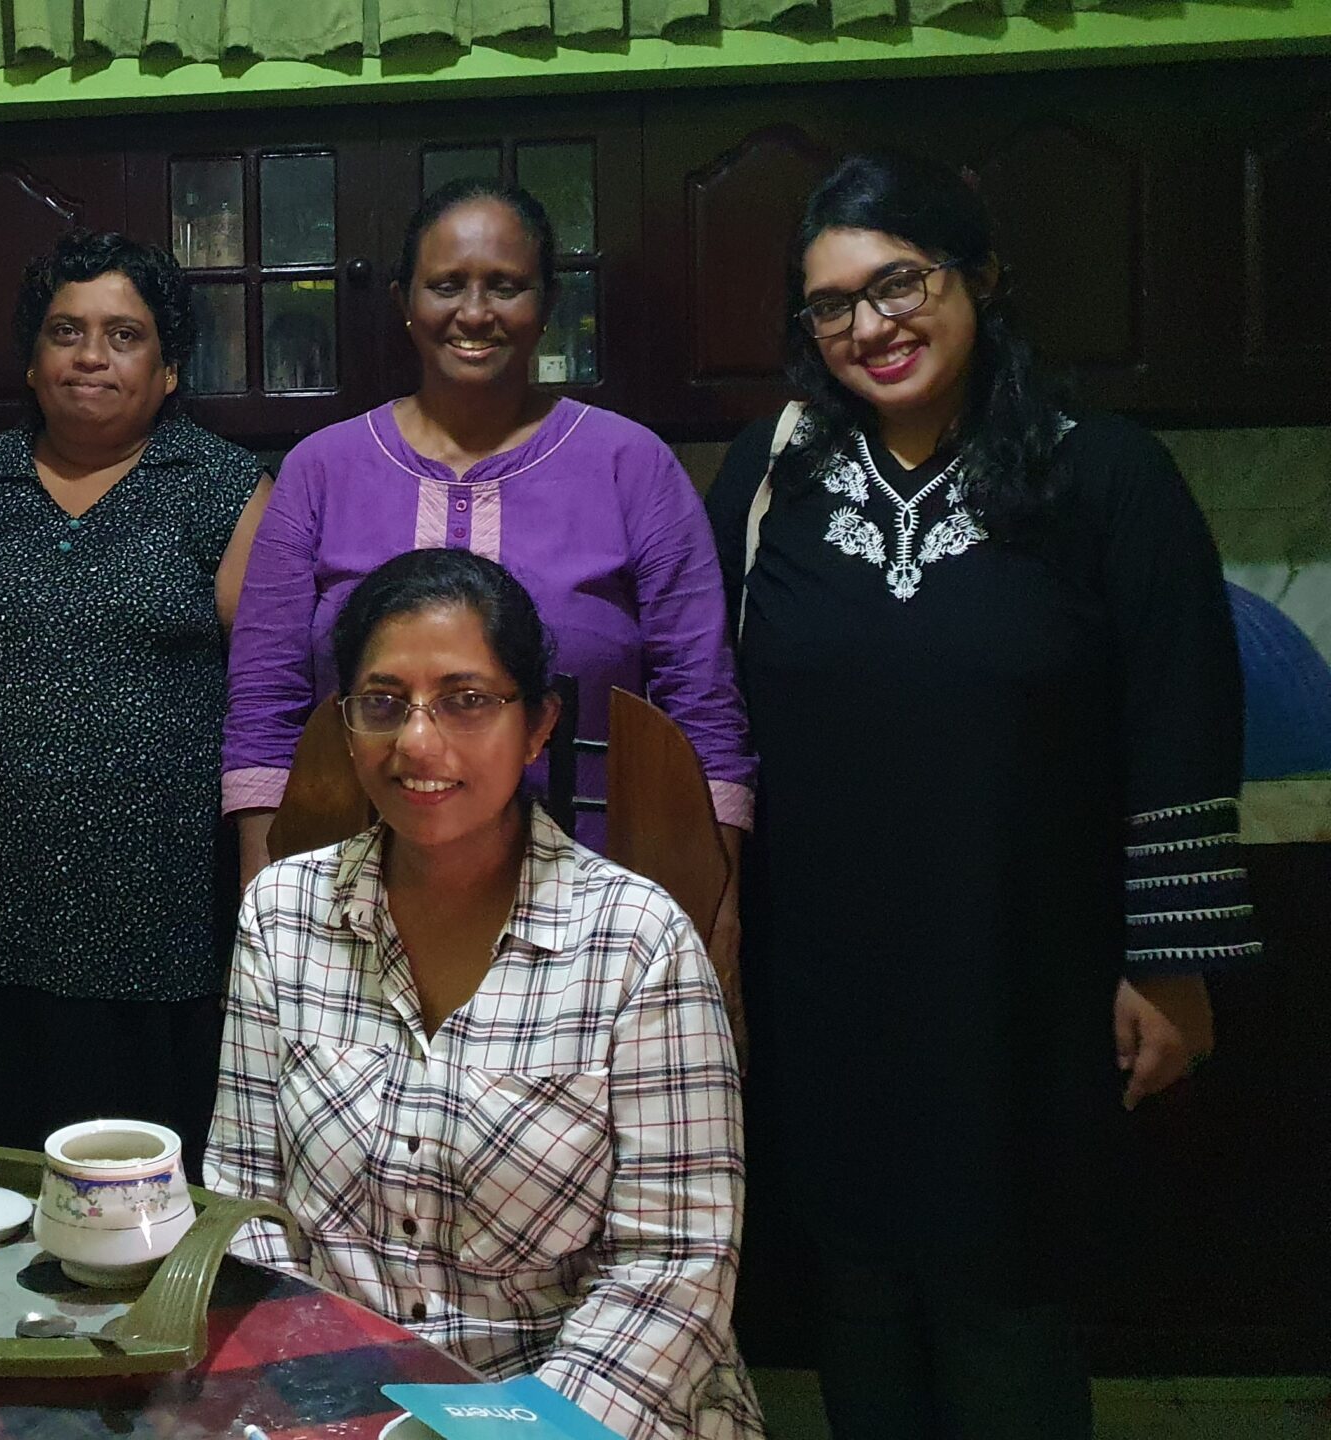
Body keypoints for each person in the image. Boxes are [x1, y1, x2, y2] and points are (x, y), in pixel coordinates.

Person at [705, 151, 1255, 1438]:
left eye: (897, 282)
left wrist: (1168, 963)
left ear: (983, 279)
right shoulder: (771, 476)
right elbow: (709, 711)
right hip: (823, 977)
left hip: (1026, 975)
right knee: (859, 1292)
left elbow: (1181, 716)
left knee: (1004, 1298)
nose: (868, 326)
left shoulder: (1102, 474)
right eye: (831, 304)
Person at [207, 548, 763, 1440]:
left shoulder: (636, 941)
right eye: (383, 704)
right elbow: (248, 1209)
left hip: (584, 1414)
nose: (419, 742)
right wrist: (327, 1413)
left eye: (467, 701)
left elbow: (675, 1266)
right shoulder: (283, 913)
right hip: (345, 1406)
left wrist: (514, 1432)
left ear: (538, 725)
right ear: (347, 725)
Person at [222, 180, 754, 921]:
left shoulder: (633, 466)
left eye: (505, 286)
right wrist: (263, 889)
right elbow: (265, 702)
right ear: (407, 302)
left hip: (601, 903)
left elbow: (700, 701)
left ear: (547, 306)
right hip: (350, 898)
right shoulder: (321, 469)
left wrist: (714, 901)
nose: (474, 312)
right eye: (447, 285)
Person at [0, 229, 272, 1159]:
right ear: (32, 357)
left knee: (146, 1207)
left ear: (168, 370)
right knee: (5, 1195)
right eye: (66, 331)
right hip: (5, 922)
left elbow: (269, 700)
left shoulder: (220, 488)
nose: (91, 356)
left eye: (124, 336)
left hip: (166, 931)